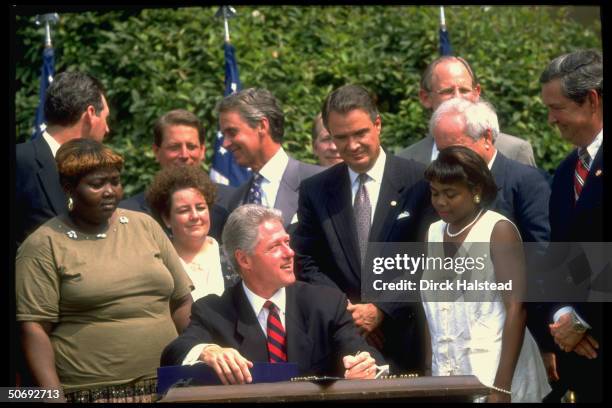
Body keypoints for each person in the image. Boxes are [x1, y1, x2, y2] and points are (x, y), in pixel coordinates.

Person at [15, 139, 193, 402]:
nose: (109, 191)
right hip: (93, 393)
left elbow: (181, 301)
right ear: (68, 188)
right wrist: (53, 397)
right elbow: (34, 328)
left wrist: (194, 358)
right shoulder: (44, 244)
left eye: (115, 181)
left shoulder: (145, 226)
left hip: (169, 387)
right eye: (97, 184)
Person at [292, 84, 434, 373]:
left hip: (410, 337)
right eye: (341, 137)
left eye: (360, 133)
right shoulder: (315, 190)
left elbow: (431, 257)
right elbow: (306, 260)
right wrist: (346, 311)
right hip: (344, 344)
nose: (352, 145)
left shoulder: (420, 181)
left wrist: (382, 308)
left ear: (378, 124)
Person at [161, 204, 385, 384]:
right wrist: (207, 351)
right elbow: (174, 352)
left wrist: (365, 368)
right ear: (244, 259)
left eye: (287, 242)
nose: (290, 253)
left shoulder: (325, 303)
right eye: (275, 246)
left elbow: (366, 356)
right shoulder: (215, 311)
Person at [422, 145, 551, 402]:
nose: (440, 202)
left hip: (497, 373)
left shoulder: (498, 230)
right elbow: (433, 309)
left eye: (450, 194)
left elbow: (517, 308)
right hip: (449, 373)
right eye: (435, 193)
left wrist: (501, 388)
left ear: (476, 190)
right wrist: (430, 369)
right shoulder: (434, 232)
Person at [539, 49, 603, 402]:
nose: (550, 119)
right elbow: (559, 256)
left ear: (591, 100)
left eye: (557, 107)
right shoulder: (566, 172)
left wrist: (583, 320)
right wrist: (563, 313)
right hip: (582, 363)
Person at [429, 98, 550, 243]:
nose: (447, 158)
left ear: (486, 138)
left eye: (456, 149)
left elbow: (541, 250)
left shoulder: (529, 182)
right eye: (441, 151)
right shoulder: (437, 184)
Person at [15, 71, 110, 247]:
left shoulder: (102, 174)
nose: (107, 129)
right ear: (90, 113)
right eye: (106, 118)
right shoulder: (20, 161)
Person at [397, 56, 536, 167]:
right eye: (447, 91)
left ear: (477, 93)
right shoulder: (406, 160)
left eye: (464, 90)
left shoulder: (515, 151)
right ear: (425, 98)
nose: (458, 97)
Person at [119, 109, 233, 241]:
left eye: (191, 146)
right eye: (174, 147)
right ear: (156, 151)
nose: (184, 155)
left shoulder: (231, 203)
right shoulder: (128, 213)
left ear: (202, 151)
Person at [218, 88, 322, 228]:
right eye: (224, 134)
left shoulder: (318, 181)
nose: (225, 144)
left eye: (232, 132)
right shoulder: (236, 200)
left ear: (262, 125)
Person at [147, 165, 239, 301]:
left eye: (200, 208)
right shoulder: (158, 264)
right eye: (184, 210)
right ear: (167, 219)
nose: (195, 216)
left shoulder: (235, 256)